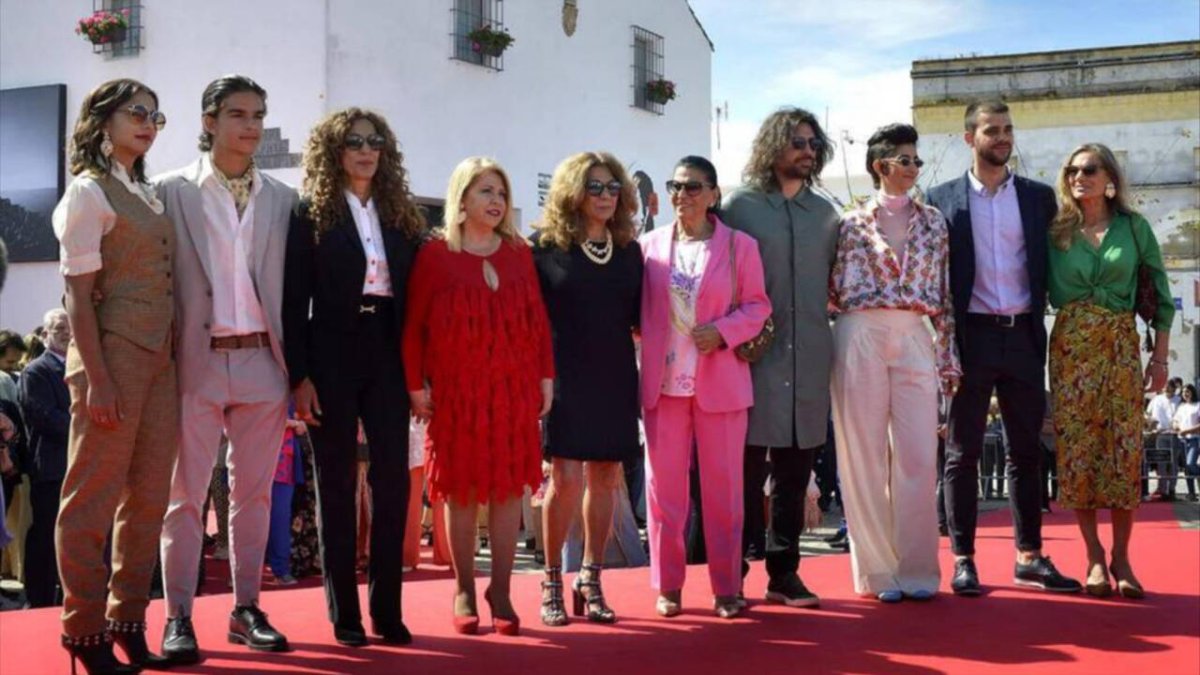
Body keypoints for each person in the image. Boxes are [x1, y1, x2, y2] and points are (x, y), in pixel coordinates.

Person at [158, 74, 296, 661]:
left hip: (265, 358)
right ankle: (178, 617)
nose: (251, 126)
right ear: (209, 120)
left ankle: (246, 609)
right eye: (238, 114)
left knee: (255, 495)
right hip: (195, 361)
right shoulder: (169, 192)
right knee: (185, 496)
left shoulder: (285, 199)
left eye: (259, 115)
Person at [926, 100, 1082, 596]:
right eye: (992, 130)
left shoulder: (1039, 199)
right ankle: (964, 559)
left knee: (1027, 452)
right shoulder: (940, 200)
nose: (1003, 138)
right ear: (969, 138)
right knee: (961, 453)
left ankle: (1029, 557)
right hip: (971, 336)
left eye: (1008, 129)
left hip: (1022, 336)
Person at [283, 107, 425, 647]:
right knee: (336, 485)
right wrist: (299, 376)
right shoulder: (310, 212)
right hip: (331, 356)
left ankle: (386, 610)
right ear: (334, 151)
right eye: (353, 142)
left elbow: (420, 294)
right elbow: (294, 302)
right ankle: (344, 614)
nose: (365, 151)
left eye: (374, 142)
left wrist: (420, 369)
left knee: (392, 482)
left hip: (388, 351)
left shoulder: (401, 214)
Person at [51, 78, 174, 673]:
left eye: (155, 115)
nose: (148, 123)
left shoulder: (145, 192)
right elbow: (76, 298)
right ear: (103, 120)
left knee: (149, 496)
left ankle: (128, 618)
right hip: (111, 357)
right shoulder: (87, 192)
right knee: (92, 495)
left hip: (160, 360)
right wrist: (96, 378)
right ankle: (82, 626)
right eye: (137, 112)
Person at [403, 157, 554, 637]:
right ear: (462, 198)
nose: (496, 202)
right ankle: (465, 587)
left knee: (510, 488)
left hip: (512, 390)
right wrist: (414, 385)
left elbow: (538, 321)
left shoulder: (518, 253)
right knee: (461, 489)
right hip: (455, 393)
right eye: (486, 192)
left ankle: (503, 590)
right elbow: (413, 328)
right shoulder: (435, 255)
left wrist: (545, 378)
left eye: (502, 194)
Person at [828, 123, 959, 602]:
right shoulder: (848, 223)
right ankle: (877, 573)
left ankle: (919, 569)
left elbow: (943, 296)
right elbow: (830, 289)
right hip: (859, 328)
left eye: (917, 160)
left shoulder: (933, 222)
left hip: (913, 333)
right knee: (862, 456)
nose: (914, 168)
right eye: (906, 159)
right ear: (881, 165)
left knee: (918, 456)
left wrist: (948, 363)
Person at [639, 155, 771, 619]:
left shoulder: (740, 247)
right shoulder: (649, 246)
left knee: (725, 492)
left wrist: (724, 330)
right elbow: (635, 311)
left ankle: (727, 586)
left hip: (721, 385)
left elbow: (759, 306)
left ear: (714, 194)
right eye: (675, 186)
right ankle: (668, 585)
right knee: (665, 495)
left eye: (693, 187)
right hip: (663, 386)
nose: (682, 196)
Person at [721, 107, 840, 608]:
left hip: (810, 357)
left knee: (794, 473)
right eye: (796, 141)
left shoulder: (829, 215)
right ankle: (733, 572)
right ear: (773, 146)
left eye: (813, 143)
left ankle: (784, 572)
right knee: (743, 473)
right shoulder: (738, 208)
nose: (806, 151)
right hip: (751, 361)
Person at [1047, 142, 1174, 599]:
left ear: (1110, 177)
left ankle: (1122, 556)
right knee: (1078, 452)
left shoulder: (1134, 228)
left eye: (1090, 168)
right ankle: (1093, 556)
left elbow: (1159, 293)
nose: (1080, 175)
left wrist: (1159, 357)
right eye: (1073, 169)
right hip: (1071, 348)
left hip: (1120, 347)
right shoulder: (1056, 231)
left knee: (1122, 451)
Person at [532, 151, 643, 626]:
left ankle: (590, 577)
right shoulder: (544, 247)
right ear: (573, 192)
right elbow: (530, 320)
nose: (604, 195)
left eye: (612, 187)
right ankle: (552, 580)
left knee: (605, 478)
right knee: (565, 480)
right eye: (594, 187)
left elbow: (642, 319)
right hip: (563, 376)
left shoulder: (629, 250)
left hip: (615, 372)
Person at [18, 309, 72, 609]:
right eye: (58, 327)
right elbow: (43, 418)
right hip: (51, 468)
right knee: (46, 535)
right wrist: (86, 427)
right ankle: (39, 599)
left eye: (70, 326)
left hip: (79, 466)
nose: (66, 332)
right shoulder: (36, 371)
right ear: (45, 334)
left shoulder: (84, 367)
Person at [266, 410, 306, 587]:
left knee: (280, 518)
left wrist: (296, 424)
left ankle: (281, 570)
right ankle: (242, 574)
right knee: (248, 519)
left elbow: (304, 425)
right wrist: (291, 423)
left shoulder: (293, 393)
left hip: (285, 465)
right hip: (252, 461)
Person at [1173, 384, 1200, 502]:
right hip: (1182, 439)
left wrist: (1187, 431)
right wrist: (1177, 427)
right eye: (1184, 392)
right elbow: (1175, 421)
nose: (1185, 394)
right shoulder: (1181, 407)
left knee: (1190, 464)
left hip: (1194, 439)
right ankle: (1191, 493)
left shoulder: (1198, 405)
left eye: (1188, 391)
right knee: (1186, 468)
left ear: (1192, 392)